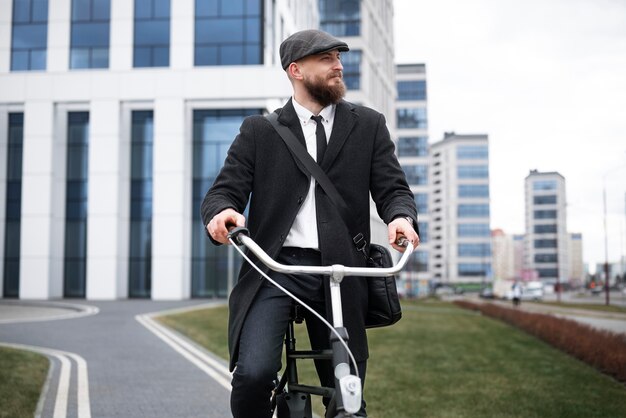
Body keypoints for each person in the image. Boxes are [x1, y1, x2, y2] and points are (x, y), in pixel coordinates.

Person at [201, 29, 419, 418]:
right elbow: (223, 192)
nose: (338, 65)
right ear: (296, 70)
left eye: (338, 58)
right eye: (326, 59)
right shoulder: (260, 131)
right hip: (275, 269)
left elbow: (393, 189)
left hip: (340, 272)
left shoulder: (368, 125)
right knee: (254, 374)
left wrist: (401, 217)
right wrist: (222, 213)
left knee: (346, 392)